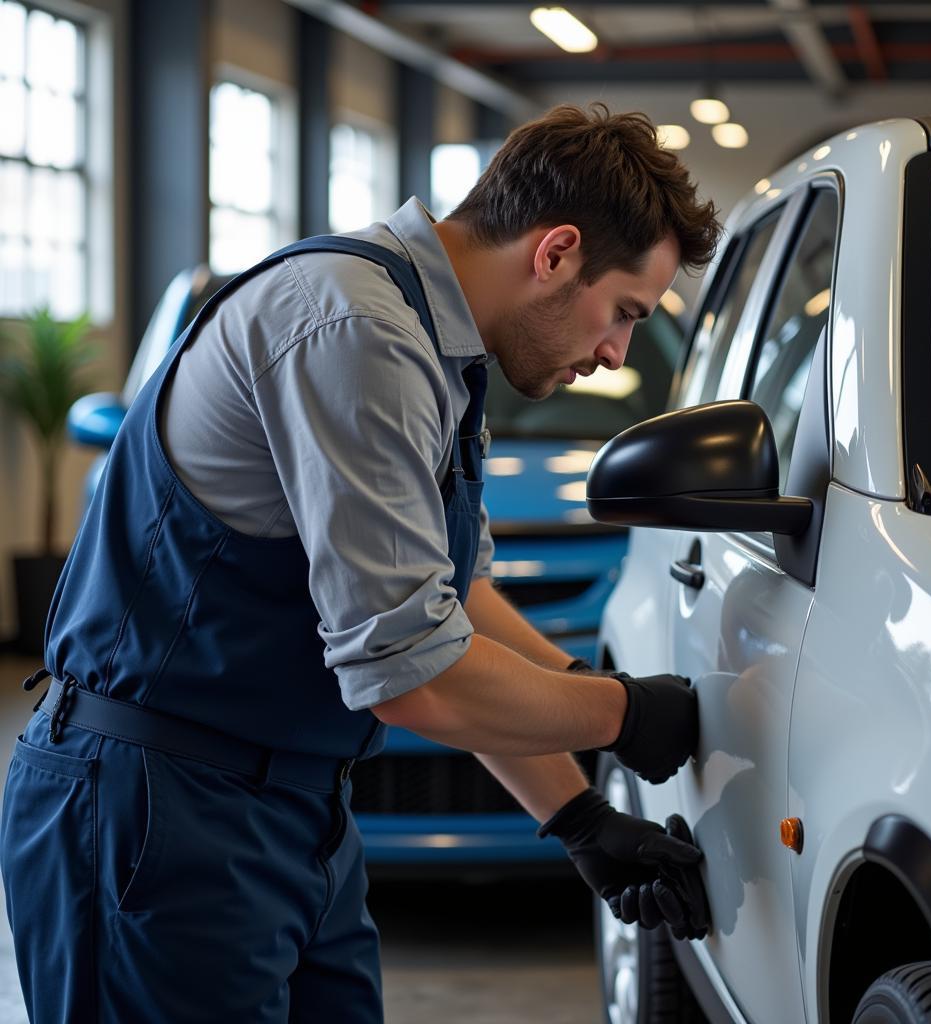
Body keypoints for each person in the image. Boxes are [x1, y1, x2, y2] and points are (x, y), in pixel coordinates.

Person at [1, 103, 720, 1022]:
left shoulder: (439, 349)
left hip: (289, 814)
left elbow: (453, 609)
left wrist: (577, 813)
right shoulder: (357, 329)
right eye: (621, 312)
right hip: (158, 813)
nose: (616, 350)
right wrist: (621, 713)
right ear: (556, 252)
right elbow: (412, 676)